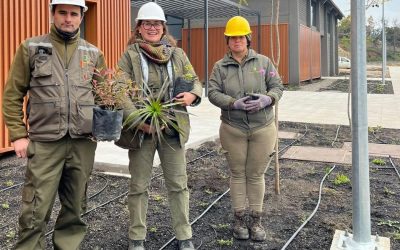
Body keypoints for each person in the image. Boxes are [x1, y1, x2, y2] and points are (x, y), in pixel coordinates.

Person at [1, 0, 106, 249]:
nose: (67, 19)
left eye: (73, 14)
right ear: (52, 13)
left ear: (81, 16)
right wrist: (18, 135)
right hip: (45, 143)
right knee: (34, 209)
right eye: (62, 13)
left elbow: (105, 96)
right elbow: (12, 94)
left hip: (83, 143)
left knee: (75, 207)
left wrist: (109, 123)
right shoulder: (32, 47)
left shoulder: (93, 53)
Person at [116, 2, 202, 250]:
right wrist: (139, 121)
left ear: (164, 27)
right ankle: (137, 238)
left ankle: (184, 236)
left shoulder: (177, 54)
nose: (152, 27)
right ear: (139, 28)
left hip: (172, 129)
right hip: (142, 132)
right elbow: (121, 92)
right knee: (138, 186)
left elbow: (194, 80)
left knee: (178, 185)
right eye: (147, 23)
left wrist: (192, 96)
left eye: (156, 23)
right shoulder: (130, 56)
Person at [208, 16, 284, 241]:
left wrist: (267, 100)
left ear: (248, 38)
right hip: (233, 128)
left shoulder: (264, 62)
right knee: (238, 174)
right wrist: (233, 103)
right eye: (232, 37)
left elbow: (278, 86)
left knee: (256, 174)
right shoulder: (220, 67)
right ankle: (240, 220)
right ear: (227, 41)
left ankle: (257, 220)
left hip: (262, 127)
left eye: (240, 36)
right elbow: (211, 92)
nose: (237, 41)